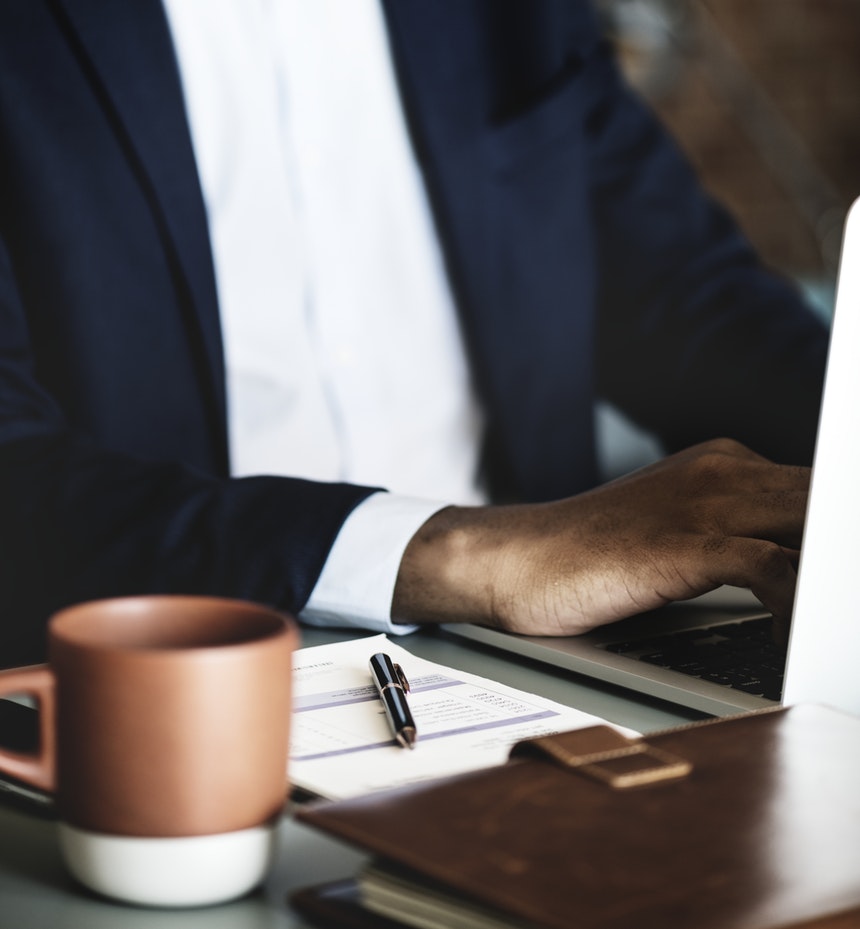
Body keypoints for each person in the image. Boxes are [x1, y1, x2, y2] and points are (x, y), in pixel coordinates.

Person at [0, 0, 828, 666]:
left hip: (561, 666)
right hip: (163, 686)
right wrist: (469, 555)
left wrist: (847, 469)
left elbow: (694, 305)